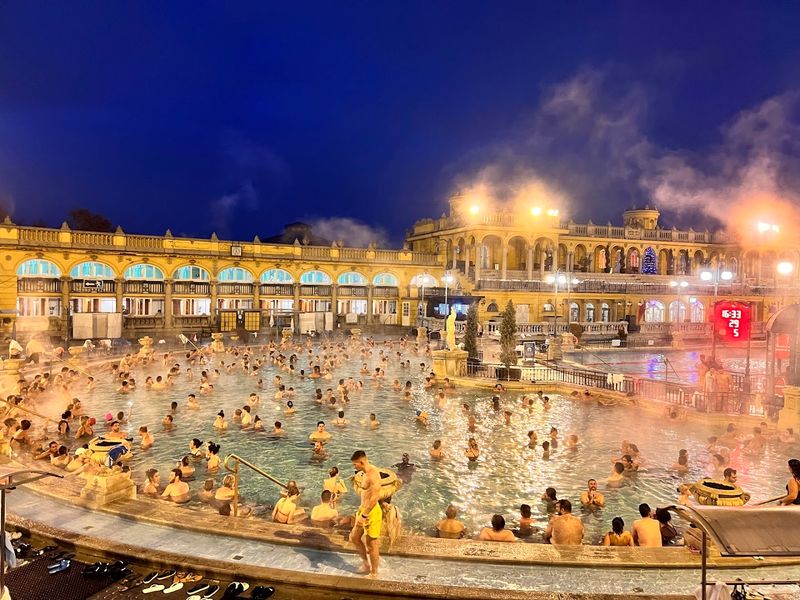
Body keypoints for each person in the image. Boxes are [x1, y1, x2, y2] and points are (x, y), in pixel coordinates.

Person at [349, 450, 382, 578]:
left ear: (361, 462)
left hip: (371, 512)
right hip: (363, 509)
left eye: (355, 465)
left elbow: (375, 497)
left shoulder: (372, 475)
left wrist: (364, 515)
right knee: (354, 538)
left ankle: (374, 573)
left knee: (372, 544)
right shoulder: (366, 472)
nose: (354, 467)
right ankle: (366, 564)